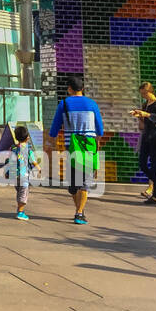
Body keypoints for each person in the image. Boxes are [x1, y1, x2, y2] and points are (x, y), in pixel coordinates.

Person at [48, 74, 104, 225]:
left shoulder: (64, 104)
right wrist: (97, 141)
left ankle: (79, 210)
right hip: (89, 145)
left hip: (71, 146)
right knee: (84, 181)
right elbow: (100, 128)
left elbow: (55, 127)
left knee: (73, 183)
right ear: (83, 89)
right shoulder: (92, 104)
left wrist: (51, 140)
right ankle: (80, 211)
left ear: (69, 89)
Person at [131, 81, 156, 205]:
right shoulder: (145, 104)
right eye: (141, 94)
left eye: (144, 93)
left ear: (149, 91)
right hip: (147, 137)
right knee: (142, 163)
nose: (143, 96)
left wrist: (147, 114)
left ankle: (155, 196)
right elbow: (144, 123)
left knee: (155, 167)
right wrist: (139, 115)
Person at [10, 124, 37, 220]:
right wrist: (38, 168)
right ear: (27, 138)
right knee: (23, 194)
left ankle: (19, 209)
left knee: (19, 192)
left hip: (15, 176)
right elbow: (33, 161)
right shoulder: (28, 150)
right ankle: (20, 212)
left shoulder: (14, 149)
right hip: (24, 176)